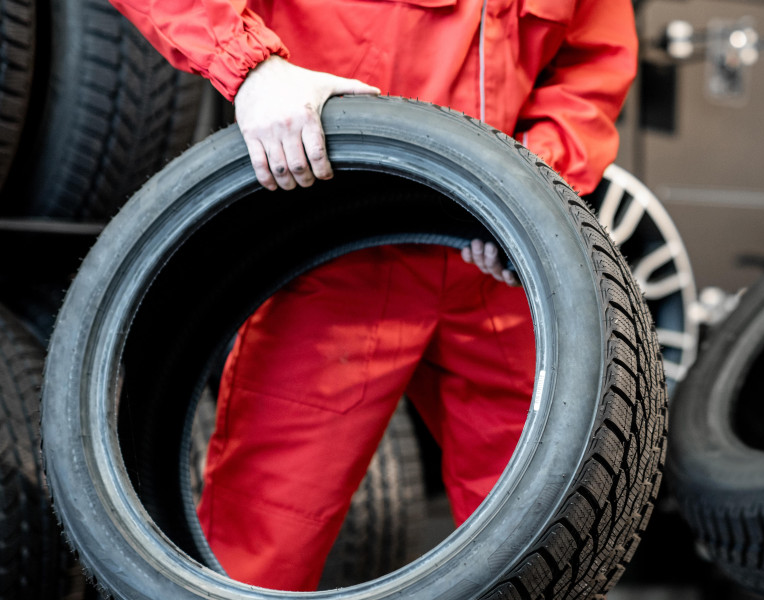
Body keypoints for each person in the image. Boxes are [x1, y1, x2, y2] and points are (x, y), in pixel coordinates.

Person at [106, 0, 637, 591]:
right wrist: (251, 68)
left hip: (502, 263)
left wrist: (537, 180)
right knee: (259, 545)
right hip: (342, 255)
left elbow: (593, 63)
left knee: (553, 534)